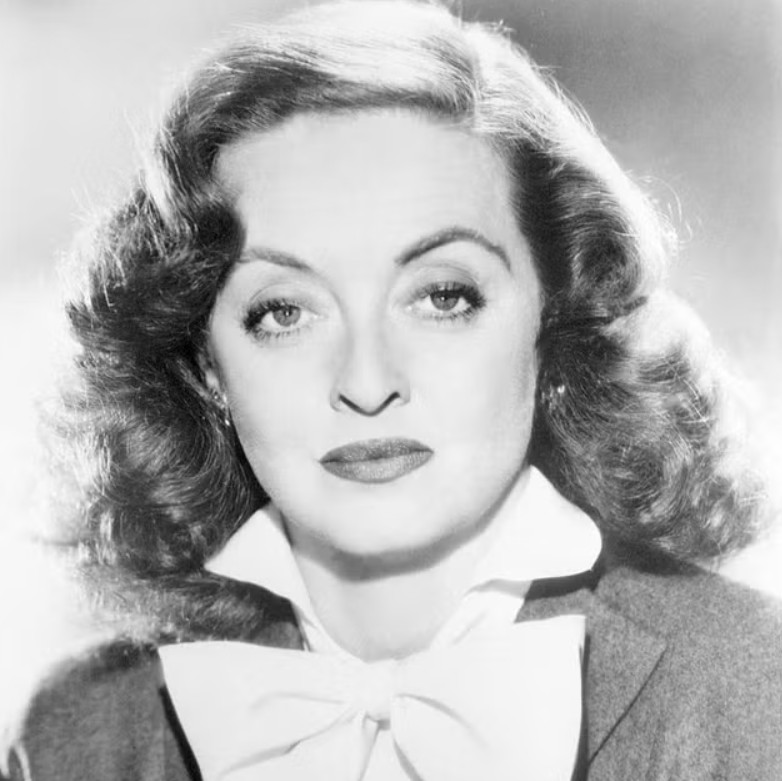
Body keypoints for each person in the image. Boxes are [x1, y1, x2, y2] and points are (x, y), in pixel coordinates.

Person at [3, 1, 781, 779]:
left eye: (442, 297)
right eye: (284, 312)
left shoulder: (750, 691)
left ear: (553, 318)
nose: (367, 384)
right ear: (205, 363)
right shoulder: (78, 735)